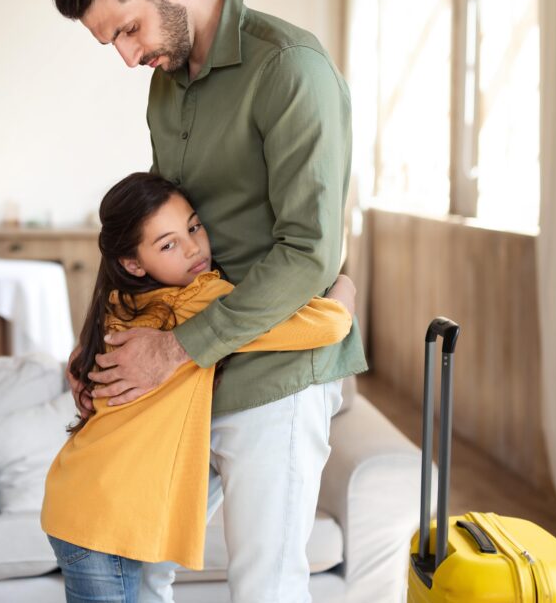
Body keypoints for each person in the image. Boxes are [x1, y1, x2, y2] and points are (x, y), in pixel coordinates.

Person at [53, 0, 368, 602]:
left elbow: (308, 252)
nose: (129, 58)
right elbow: (150, 231)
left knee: (265, 584)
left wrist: (175, 349)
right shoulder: (168, 84)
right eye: (112, 42)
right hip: (195, 370)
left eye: (128, 31)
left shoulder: (289, 68)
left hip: (274, 372)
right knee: (139, 564)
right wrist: (97, 350)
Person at [41, 172, 356, 603]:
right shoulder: (195, 301)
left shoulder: (122, 302)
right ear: (134, 264)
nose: (192, 248)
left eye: (193, 227)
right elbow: (327, 323)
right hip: (100, 521)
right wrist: (346, 286)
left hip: (78, 504)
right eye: (168, 244)